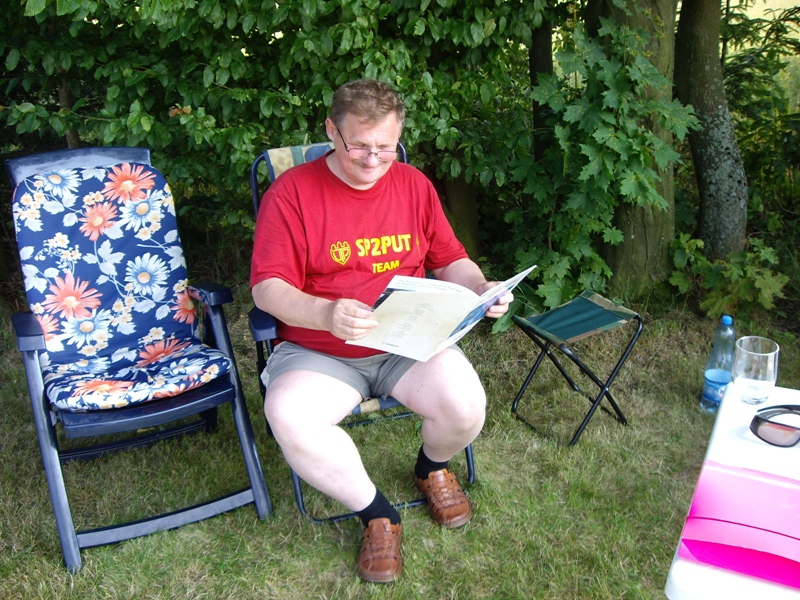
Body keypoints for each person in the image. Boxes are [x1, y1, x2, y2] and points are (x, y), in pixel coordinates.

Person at [250, 78, 512, 583]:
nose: (373, 160)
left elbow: (451, 261)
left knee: (466, 404)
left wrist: (481, 287)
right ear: (332, 131)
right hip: (321, 350)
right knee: (289, 416)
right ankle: (376, 513)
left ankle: (431, 467)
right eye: (360, 146)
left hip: (405, 340)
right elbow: (267, 288)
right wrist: (325, 313)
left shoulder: (414, 185)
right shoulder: (292, 194)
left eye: (386, 148)